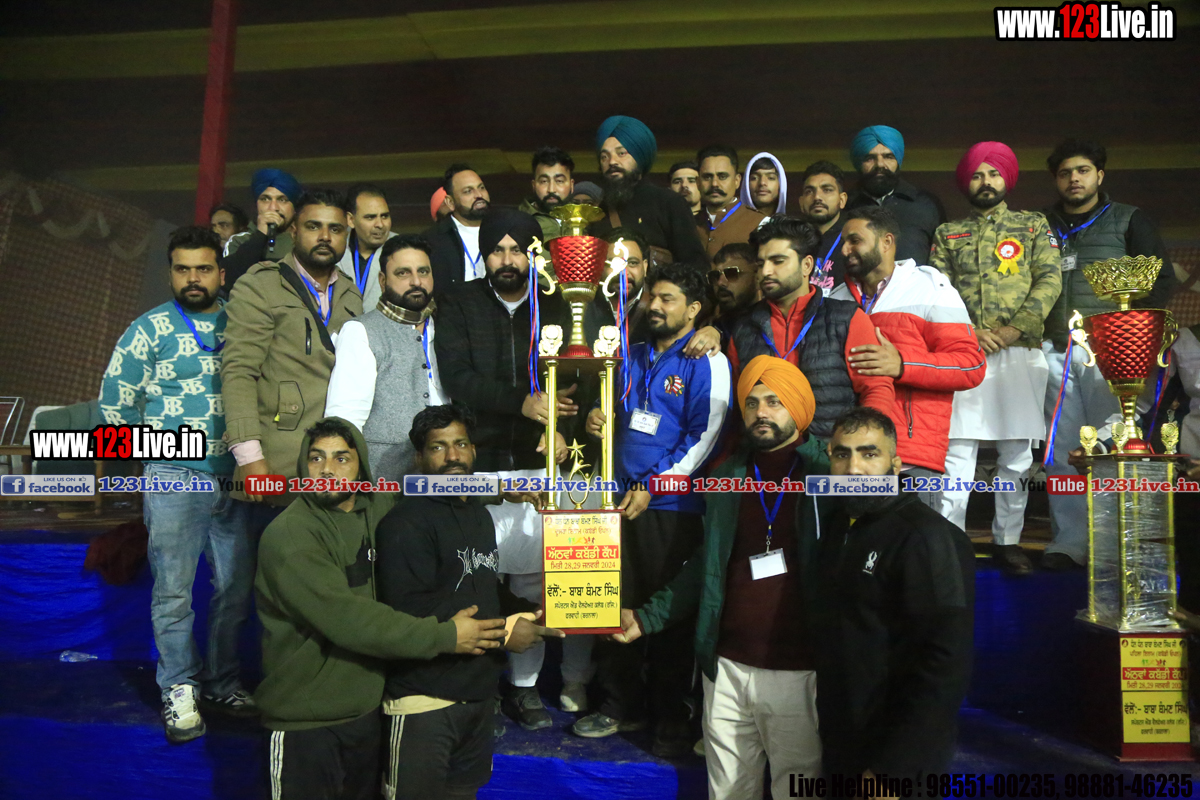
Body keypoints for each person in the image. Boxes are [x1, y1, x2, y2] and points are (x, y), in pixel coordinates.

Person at [255, 417, 508, 799]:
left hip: (365, 715)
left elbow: (435, 486)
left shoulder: (378, 507)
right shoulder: (290, 535)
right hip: (305, 722)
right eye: (316, 458)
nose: (327, 470)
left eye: (342, 458)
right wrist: (445, 636)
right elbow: (350, 620)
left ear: (361, 466)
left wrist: (504, 489)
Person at [617, 356, 825, 799]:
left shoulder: (827, 474)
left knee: (798, 786)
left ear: (798, 407)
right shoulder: (727, 476)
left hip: (799, 669)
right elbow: (704, 567)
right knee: (728, 790)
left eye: (774, 402)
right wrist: (647, 618)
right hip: (726, 666)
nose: (761, 412)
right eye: (751, 403)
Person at [99, 226, 254, 743]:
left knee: (234, 589)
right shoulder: (148, 329)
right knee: (173, 591)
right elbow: (114, 411)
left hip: (238, 476)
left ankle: (222, 683)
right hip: (174, 477)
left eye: (203, 268)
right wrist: (162, 454)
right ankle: (179, 688)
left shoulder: (243, 321)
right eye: (183, 269)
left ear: (221, 273)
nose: (193, 278)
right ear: (170, 273)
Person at [574, 262, 731, 757]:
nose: (655, 306)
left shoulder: (707, 361)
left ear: (694, 308)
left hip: (670, 505)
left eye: (667, 299)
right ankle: (618, 705)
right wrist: (597, 417)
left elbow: (705, 435)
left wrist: (655, 483)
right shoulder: (632, 353)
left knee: (665, 612)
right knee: (610, 601)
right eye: (652, 297)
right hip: (616, 498)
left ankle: (670, 714)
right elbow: (614, 411)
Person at [376, 405, 562, 798]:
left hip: (477, 697)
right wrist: (504, 633)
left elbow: (481, 586)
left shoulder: (479, 517)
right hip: (424, 700)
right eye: (438, 447)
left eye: (460, 444)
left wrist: (533, 609)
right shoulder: (404, 523)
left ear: (474, 451)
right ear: (419, 458)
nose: (452, 456)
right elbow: (407, 609)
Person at [816, 406, 975, 783]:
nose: (854, 469)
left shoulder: (928, 538)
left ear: (896, 464)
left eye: (869, 454)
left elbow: (944, 665)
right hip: (843, 741)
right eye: (842, 454)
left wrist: (894, 767)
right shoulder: (840, 525)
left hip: (896, 760)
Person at [1040, 138, 1177, 570]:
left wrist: (1129, 338)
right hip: (1055, 348)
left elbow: (1160, 281)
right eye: (1065, 172)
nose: (1074, 179)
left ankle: (1113, 542)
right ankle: (1069, 541)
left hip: (1112, 353)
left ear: (1099, 175)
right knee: (1062, 448)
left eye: (1082, 170)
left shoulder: (1129, 219)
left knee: (1110, 443)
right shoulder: (1040, 225)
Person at [931, 142, 1061, 574]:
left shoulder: (1032, 225)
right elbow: (939, 290)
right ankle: (950, 541)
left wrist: (1011, 330)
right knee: (956, 455)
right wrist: (968, 332)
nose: (985, 182)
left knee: (1017, 457)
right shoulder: (948, 233)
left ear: (1007, 179)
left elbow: (1049, 280)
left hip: (1019, 351)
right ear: (966, 182)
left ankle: (1008, 541)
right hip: (964, 352)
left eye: (993, 174)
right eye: (976, 175)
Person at [832, 206, 986, 504]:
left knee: (913, 535)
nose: (844, 250)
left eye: (854, 240)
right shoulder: (836, 298)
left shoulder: (930, 288)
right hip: (848, 456)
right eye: (843, 242)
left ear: (886, 242)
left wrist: (902, 365)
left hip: (910, 457)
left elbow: (971, 365)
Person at [222, 188, 363, 508]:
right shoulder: (261, 284)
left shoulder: (350, 294)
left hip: (334, 469)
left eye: (335, 229)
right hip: (276, 463)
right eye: (314, 226)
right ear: (294, 231)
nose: (325, 237)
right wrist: (249, 458)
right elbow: (239, 373)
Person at [727, 217, 895, 442]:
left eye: (778, 261)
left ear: (807, 265)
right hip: (764, 456)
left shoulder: (846, 318)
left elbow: (876, 390)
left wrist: (858, 445)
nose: (765, 271)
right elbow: (736, 404)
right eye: (761, 263)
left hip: (829, 454)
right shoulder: (743, 327)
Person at [434, 208, 574, 472]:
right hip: (476, 456)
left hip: (539, 451)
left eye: (517, 250)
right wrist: (521, 402)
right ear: (485, 253)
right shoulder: (459, 302)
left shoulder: (553, 304)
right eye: (497, 250)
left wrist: (558, 429)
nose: (507, 261)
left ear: (533, 255)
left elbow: (567, 385)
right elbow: (456, 377)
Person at [325, 234, 447, 481]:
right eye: (403, 273)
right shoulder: (361, 330)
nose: (416, 281)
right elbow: (345, 419)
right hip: (383, 480)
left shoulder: (447, 326)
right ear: (383, 281)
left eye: (423, 272)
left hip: (445, 475)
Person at [588, 115, 708, 272]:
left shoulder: (669, 203)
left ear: (640, 157)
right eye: (604, 156)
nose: (612, 162)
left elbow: (696, 266)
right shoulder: (596, 213)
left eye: (621, 153)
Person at [845, 126, 945, 266]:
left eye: (888, 157)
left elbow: (943, 257)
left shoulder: (926, 204)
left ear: (898, 161)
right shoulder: (845, 206)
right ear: (859, 164)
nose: (880, 164)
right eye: (870, 158)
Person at [221, 168, 303, 287]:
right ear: (257, 204)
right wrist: (260, 235)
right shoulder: (239, 241)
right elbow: (231, 281)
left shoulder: (303, 241)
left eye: (282, 200)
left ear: (294, 208)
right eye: (265, 199)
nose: (273, 207)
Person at [426, 164, 492, 289]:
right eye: (468, 191)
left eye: (481, 188)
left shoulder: (504, 230)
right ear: (450, 202)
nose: (479, 195)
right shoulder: (432, 241)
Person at [695, 144, 766, 258]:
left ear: (737, 181)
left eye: (722, 176)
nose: (714, 184)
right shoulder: (688, 224)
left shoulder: (761, 224)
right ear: (698, 182)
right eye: (707, 177)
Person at [337, 183, 396, 310]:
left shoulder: (403, 249)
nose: (380, 224)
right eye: (370, 217)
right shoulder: (334, 247)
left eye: (384, 216)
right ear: (351, 220)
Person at [797, 160, 849, 294]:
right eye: (809, 191)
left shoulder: (852, 240)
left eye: (827, 190)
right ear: (801, 202)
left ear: (842, 200)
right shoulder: (792, 241)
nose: (817, 197)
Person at [519, 146, 575, 244]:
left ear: (571, 185)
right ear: (534, 185)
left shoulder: (585, 220)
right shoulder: (519, 223)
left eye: (559, 181)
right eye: (544, 181)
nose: (551, 190)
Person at [709, 242, 760, 326]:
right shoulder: (713, 327)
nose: (720, 282)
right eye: (715, 276)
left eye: (731, 273)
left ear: (757, 277)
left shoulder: (772, 326)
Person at [739, 152, 787, 217]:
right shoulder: (733, 222)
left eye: (771, 178)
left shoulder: (791, 223)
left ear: (780, 184)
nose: (762, 183)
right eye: (754, 178)